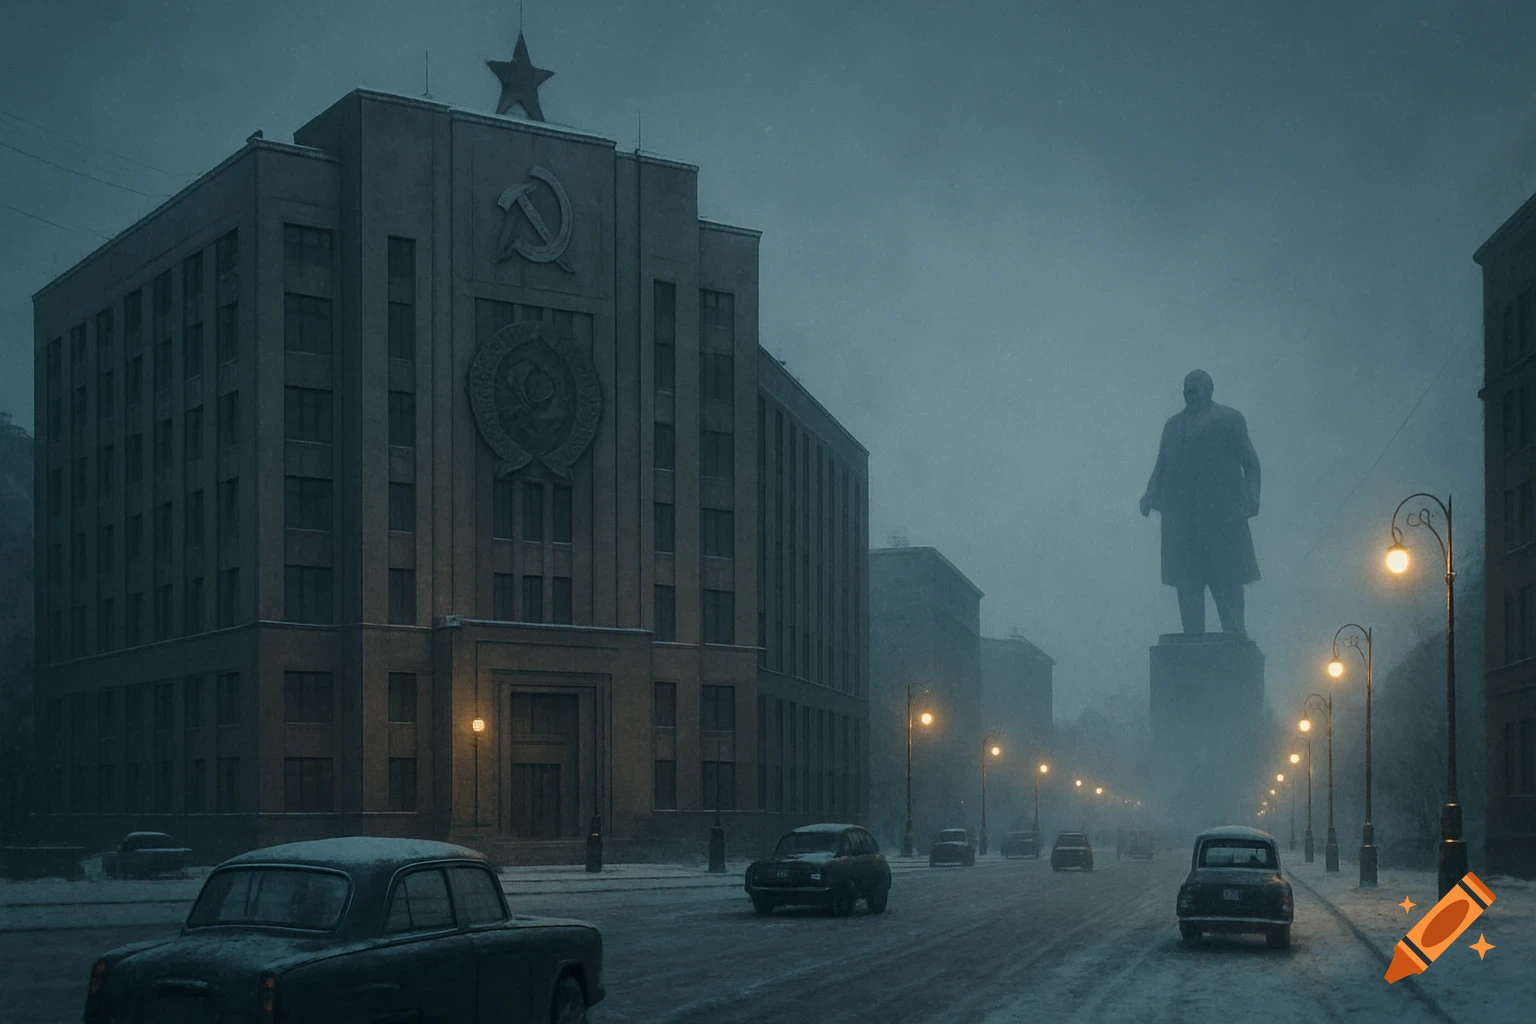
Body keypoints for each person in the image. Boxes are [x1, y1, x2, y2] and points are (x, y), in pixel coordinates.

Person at [1140, 370, 1262, 634]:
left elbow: (1250, 463)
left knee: (1227, 581)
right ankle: (1192, 640)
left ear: (1209, 390)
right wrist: (1150, 494)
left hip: (1221, 516)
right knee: (1188, 584)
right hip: (1182, 519)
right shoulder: (1172, 425)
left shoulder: (1228, 419)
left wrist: (1251, 499)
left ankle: (1235, 640)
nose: (1188, 394)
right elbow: (1162, 464)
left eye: (1194, 389)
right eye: (1186, 389)